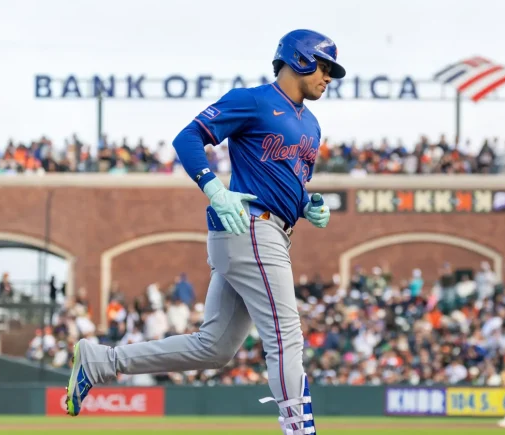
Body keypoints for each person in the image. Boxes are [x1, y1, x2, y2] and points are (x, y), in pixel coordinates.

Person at [64, 29, 345, 435]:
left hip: (271, 231)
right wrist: (214, 189)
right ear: (299, 59)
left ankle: (101, 361)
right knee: (286, 336)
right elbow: (188, 137)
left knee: (214, 348)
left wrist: (307, 204)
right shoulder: (253, 100)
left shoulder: (312, 124)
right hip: (250, 226)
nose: (328, 76)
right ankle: (301, 431)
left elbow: (285, 180)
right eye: (323, 66)